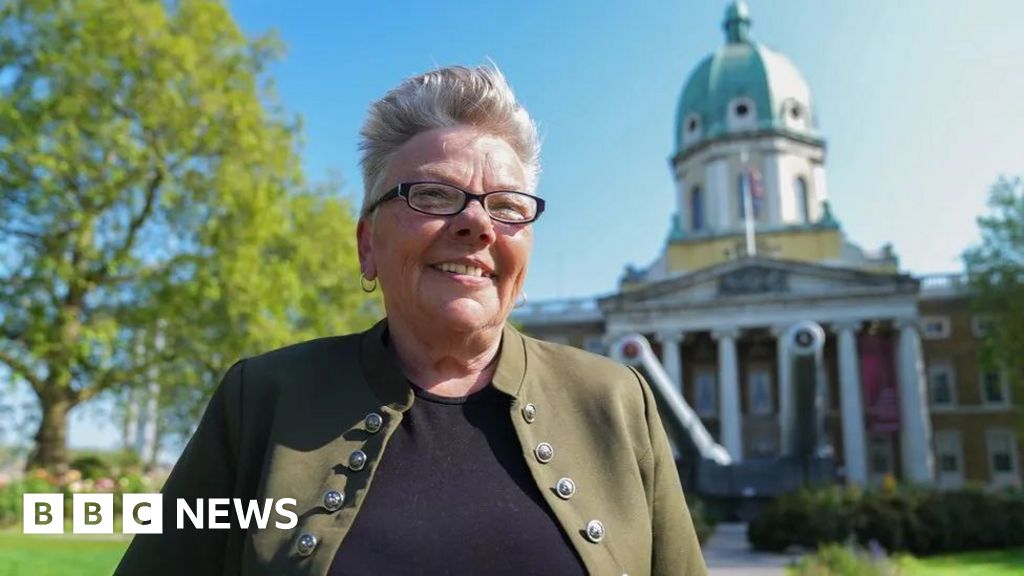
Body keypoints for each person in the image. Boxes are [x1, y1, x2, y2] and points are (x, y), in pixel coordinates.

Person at [115, 64, 707, 576]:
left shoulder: (617, 401)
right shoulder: (261, 400)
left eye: (506, 206)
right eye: (431, 195)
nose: (477, 225)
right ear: (367, 244)